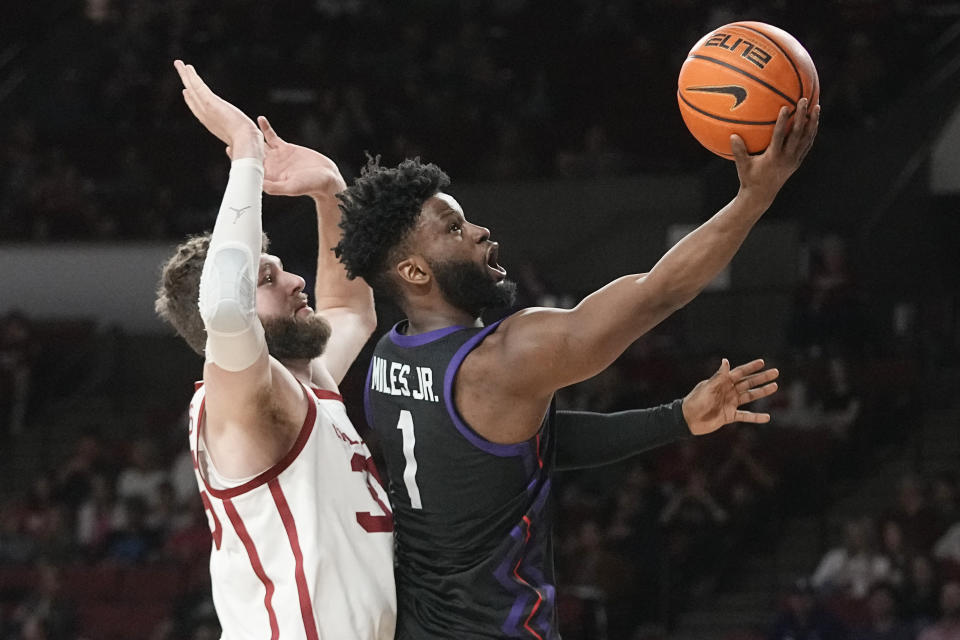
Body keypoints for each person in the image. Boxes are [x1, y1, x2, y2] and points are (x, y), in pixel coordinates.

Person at [335, 96, 819, 636]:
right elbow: (658, 294)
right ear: (415, 271)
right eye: (453, 229)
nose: (479, 232)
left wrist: (677, 416)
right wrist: (754, 198)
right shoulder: (503, 359)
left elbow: (528, 445)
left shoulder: (386, 358)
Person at [154, 61, 395, 639]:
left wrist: (330, 191)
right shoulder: (237, 402)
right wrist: (245, 153)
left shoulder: (306, 384)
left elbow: (352, 311)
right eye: (267, 278)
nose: (296, 282)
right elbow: (227, 310)